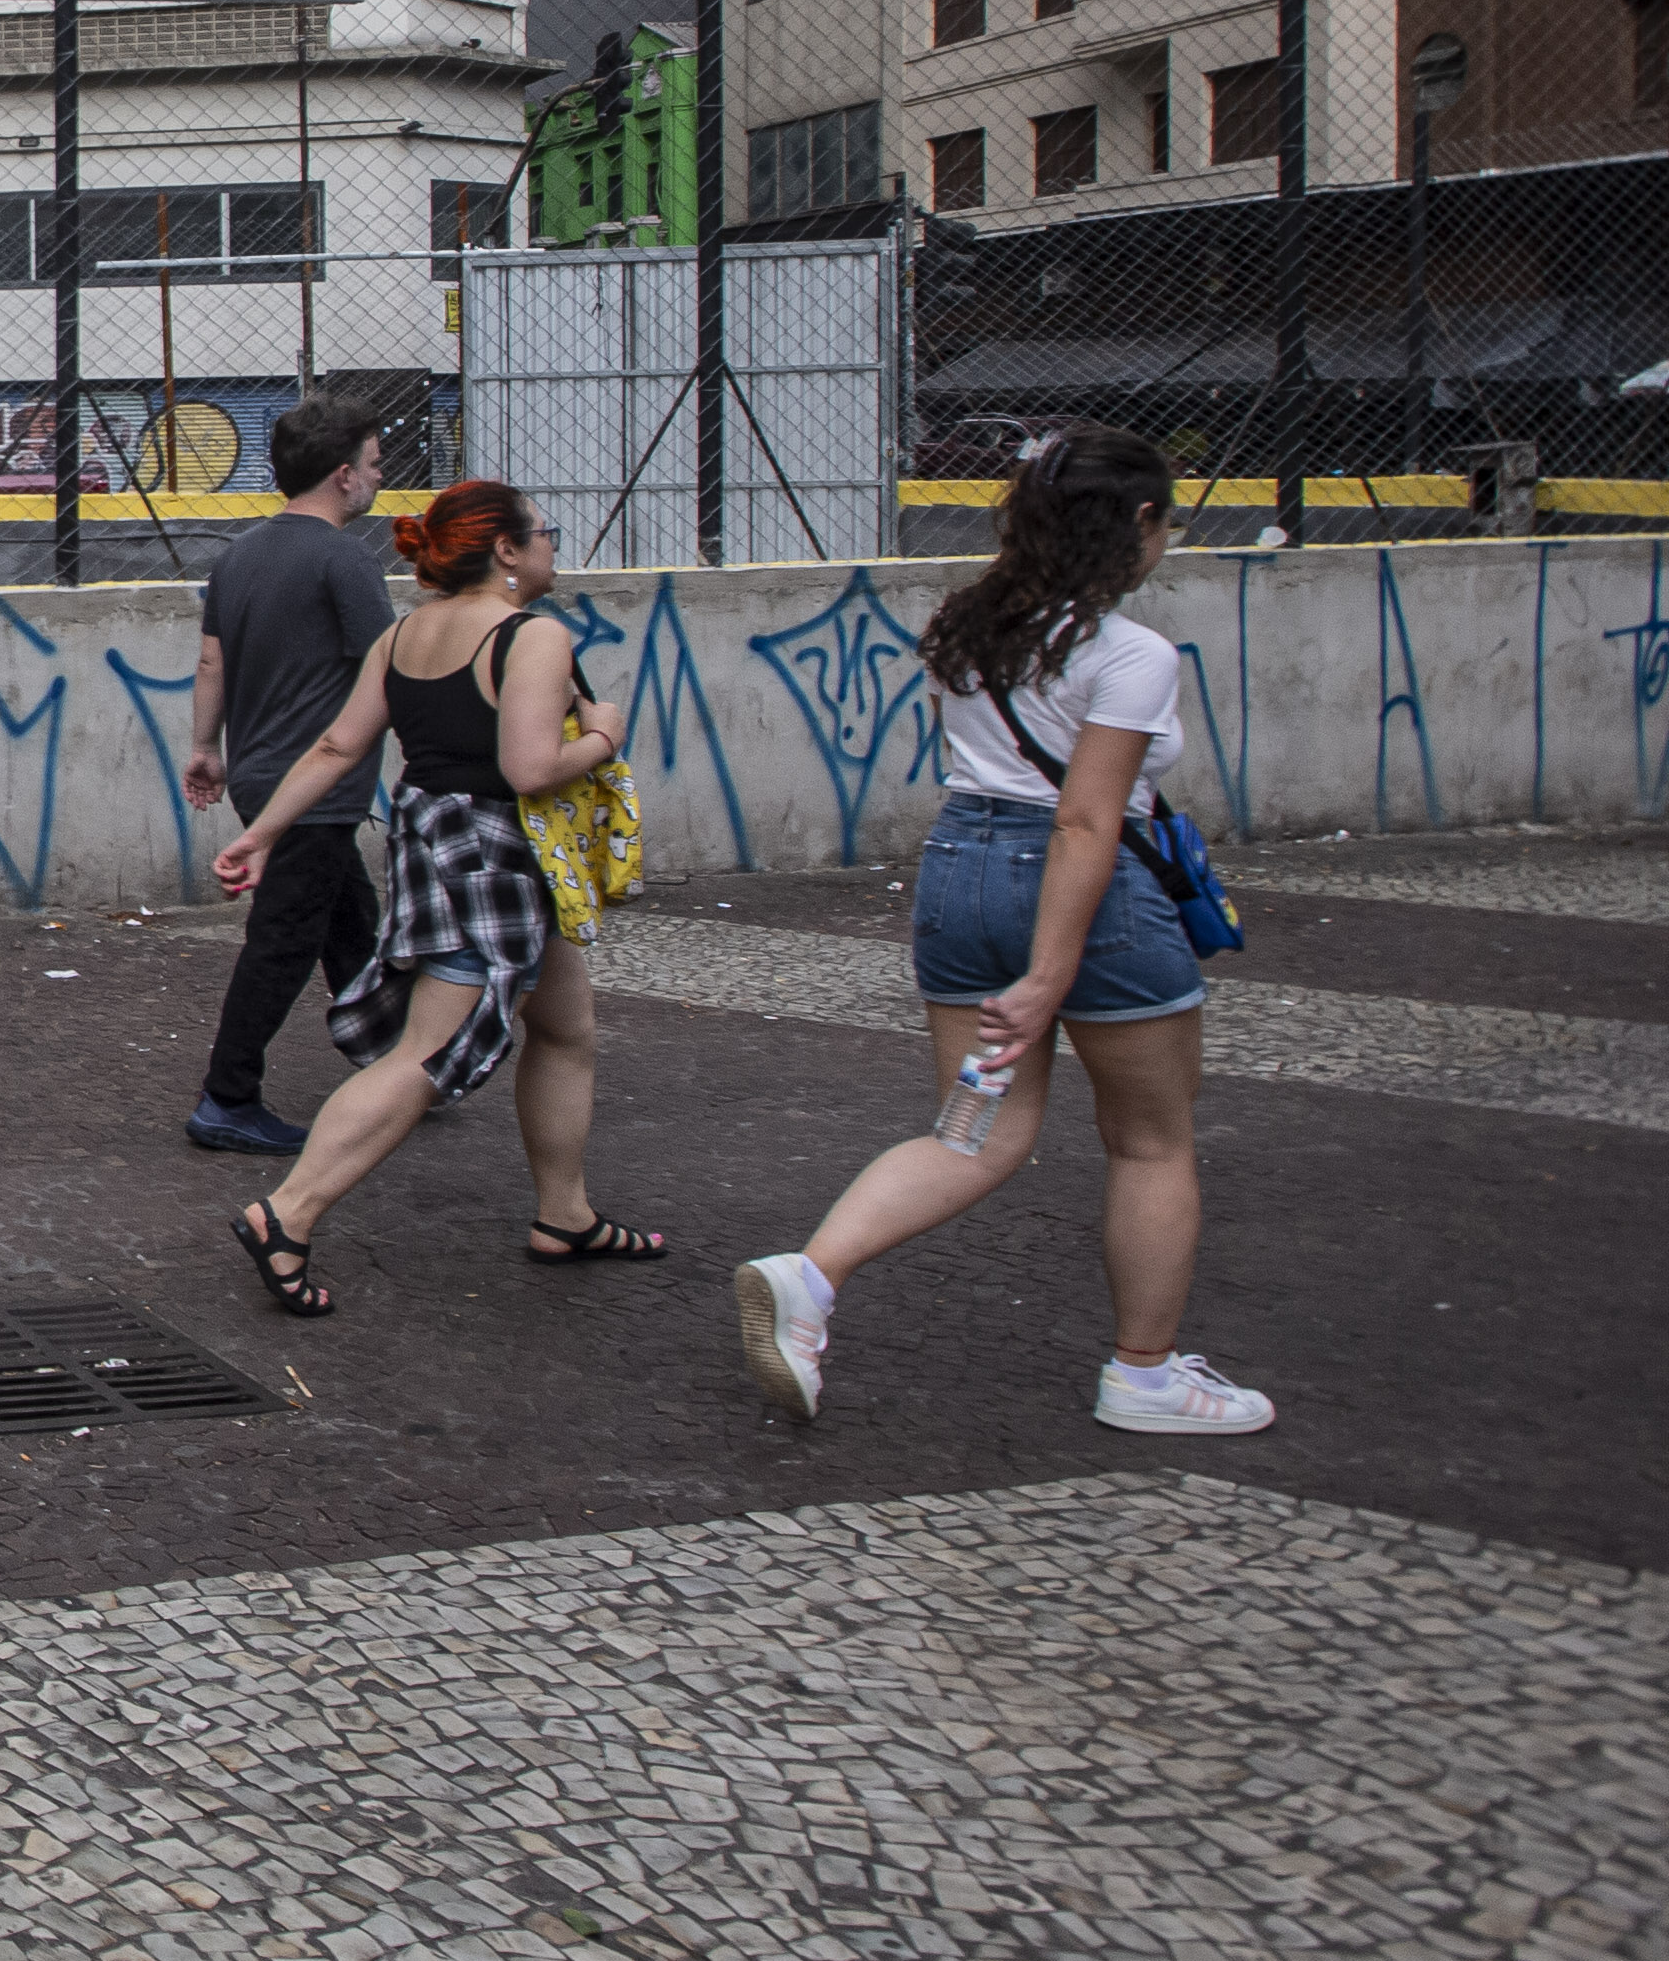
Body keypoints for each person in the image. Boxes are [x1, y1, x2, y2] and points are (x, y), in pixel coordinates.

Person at [734, 424, 1270, 1434]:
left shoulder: (964, 627)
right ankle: (1144, 1376)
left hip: (959, 871)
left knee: (976, 1132)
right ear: (1138, 523)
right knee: (1152, 1141)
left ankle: (810, 1276)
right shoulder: (1131, 654)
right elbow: (1084, 819)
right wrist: (1050, 971)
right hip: (1078, 892)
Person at [208, 480, 653, 1313]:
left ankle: (565, 1214)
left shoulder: (406, 634)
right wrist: (601, 737)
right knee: (428, 1053)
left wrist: (259, 833)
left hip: (432, 840)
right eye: (542, 533)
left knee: (565, 1027)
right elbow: (527, 769)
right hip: (494, 855)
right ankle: (288, 1214)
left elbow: (341, 746)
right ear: (509, 552)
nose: (553, 545)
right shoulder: (533, 637)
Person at [177, 391, 400, 1153]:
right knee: (283, 941)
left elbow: (213, 659)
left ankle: (395, 1065)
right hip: (317, 785)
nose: (379, 477)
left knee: (349, 924)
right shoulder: (344, 558)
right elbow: (391, 669)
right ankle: (227, 1098)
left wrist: (206, 747)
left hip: (258, 774)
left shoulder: (239, 553)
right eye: (374, 465)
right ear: (342, 475)